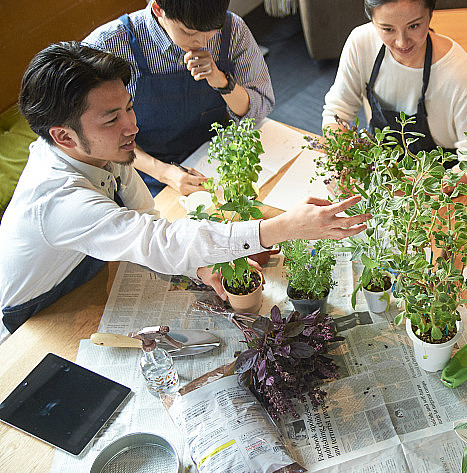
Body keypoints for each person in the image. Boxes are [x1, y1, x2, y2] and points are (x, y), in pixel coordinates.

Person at [0, 42, 367, 342]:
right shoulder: (58, 200)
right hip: (36, 311)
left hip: (90, 270)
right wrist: (285, 226)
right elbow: (157, 239)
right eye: (112, 119)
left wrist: (198, 267)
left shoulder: (104, 151)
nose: (132, 127)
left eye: (129, 108)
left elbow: (147, 221)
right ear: (63, 136)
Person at [84, 0, 274, 196]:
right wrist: (166, 173)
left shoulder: (232, 28)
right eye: (189, 32)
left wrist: (221, 81)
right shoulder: (109, 45)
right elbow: (100, 140)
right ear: (158, 10)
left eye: (212, 31)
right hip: (145, 171)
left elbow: (260, 107)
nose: (202, 42)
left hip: (217, 156)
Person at [321, 0, 467, 181]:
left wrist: (424, 189)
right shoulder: (361, 43)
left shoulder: (456, 71)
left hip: (440, 185)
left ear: (430, 14)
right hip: (381, 173)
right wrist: (343, 161)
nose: (402, 42)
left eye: (414, 26)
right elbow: (337, 112)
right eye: (387, 29)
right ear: (372, 20)